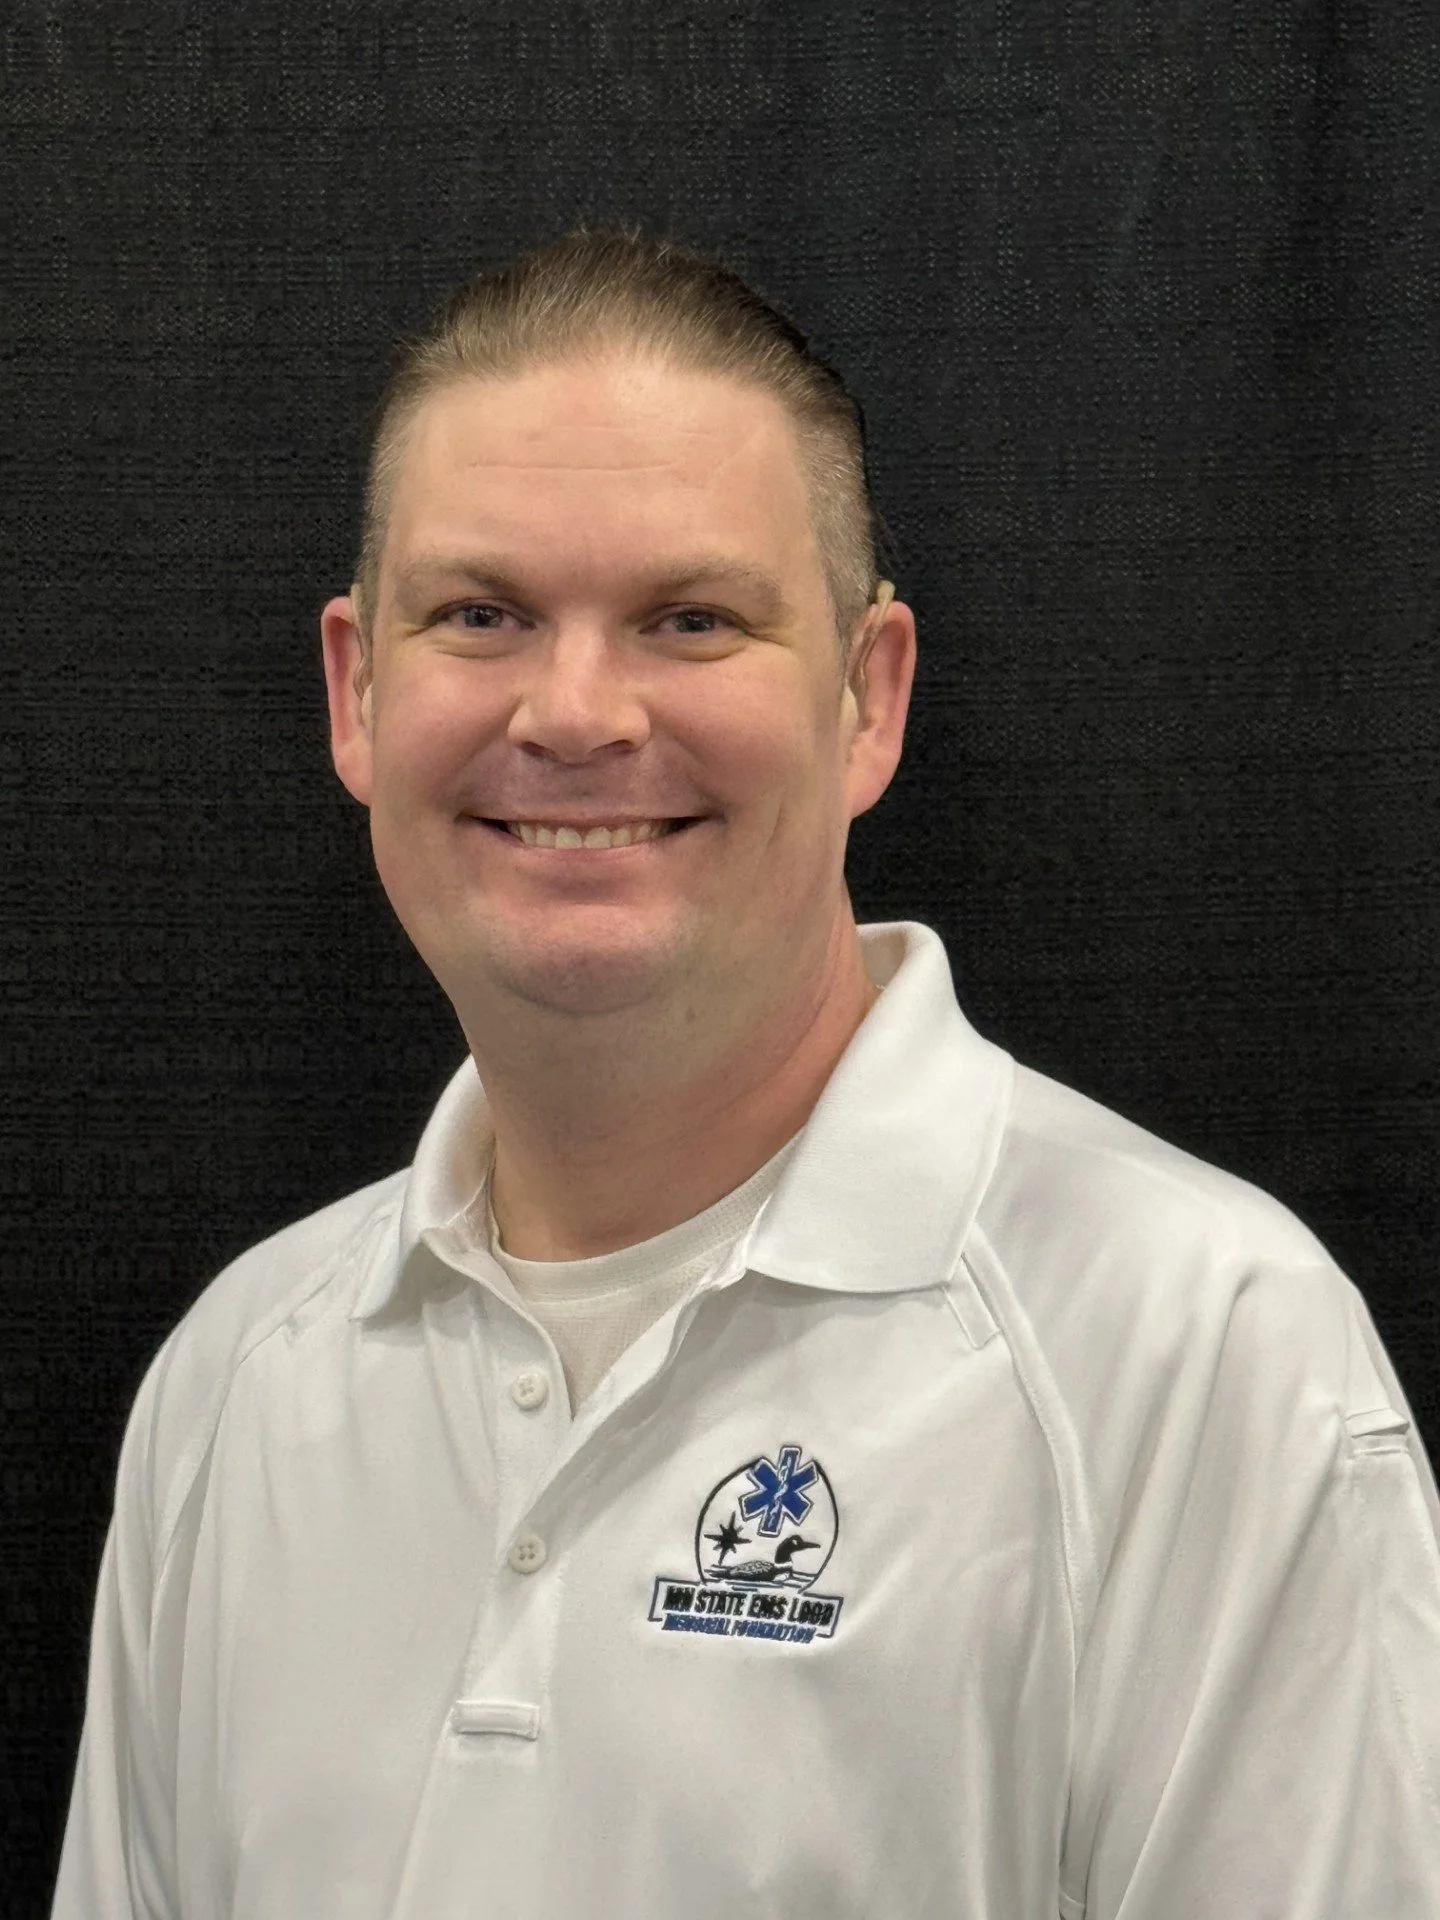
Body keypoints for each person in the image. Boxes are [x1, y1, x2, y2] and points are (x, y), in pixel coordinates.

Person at [53, 229, 1440, 1920]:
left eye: (690, 619)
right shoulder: (233, 1391)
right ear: (358, 689)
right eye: (479, 614)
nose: (573, 712)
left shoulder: (1200, 1359)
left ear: (867, 701)